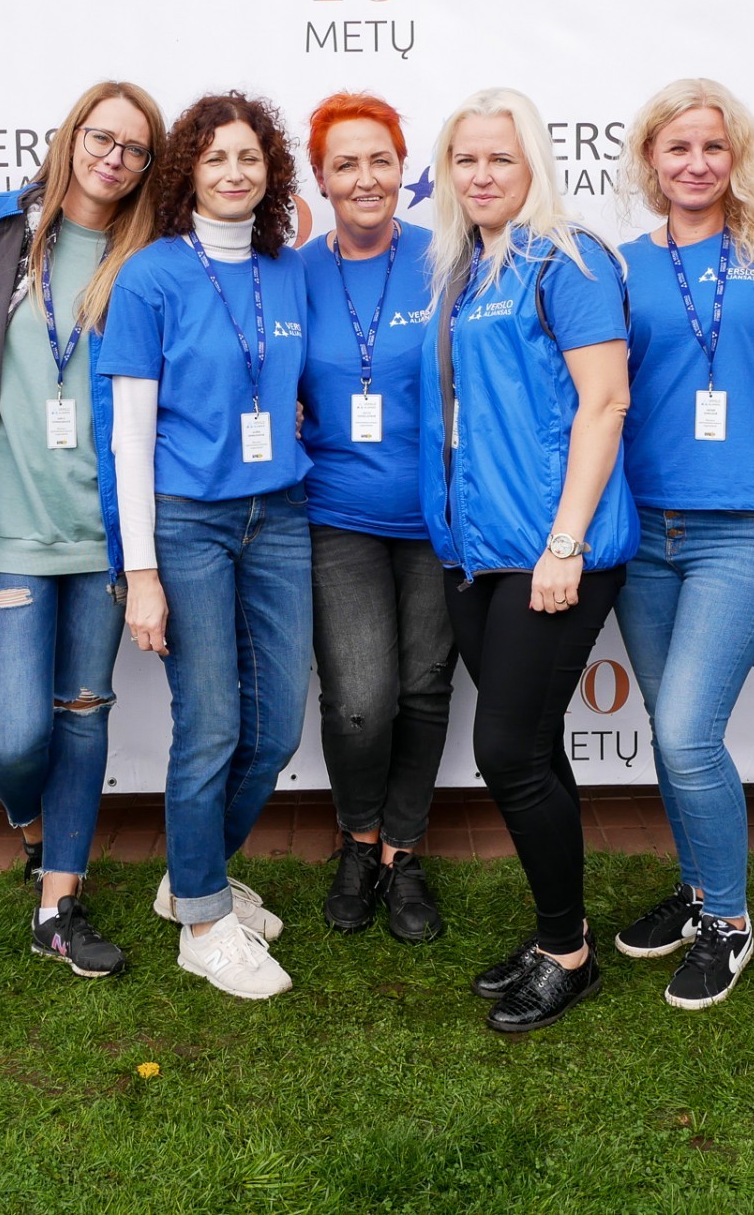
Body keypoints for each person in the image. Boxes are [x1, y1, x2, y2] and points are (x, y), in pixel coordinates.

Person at [418, 87, 637, 1034]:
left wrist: (565, 542)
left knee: (506, 751)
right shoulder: (465, 268)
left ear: (534, 163)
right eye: (465, 159)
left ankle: (568, 957)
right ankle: (562, 931)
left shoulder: (568, 259)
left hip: (551, 552)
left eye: (500, 157)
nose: (481, 174)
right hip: (479, 552)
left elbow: (605, 402)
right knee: (535, 748)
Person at [99, 90, 312, 1000]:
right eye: (216, 156)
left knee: (278, 725)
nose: (234, 172)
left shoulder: (286, 270)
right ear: (188, 171)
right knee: (212, 723)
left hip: (281, 513)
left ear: (270, 173)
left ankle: (194, 875)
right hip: (187, 520)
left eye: (250, 158)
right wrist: (141, 570)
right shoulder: (151, 277)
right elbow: (128, 437)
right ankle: (201, 921)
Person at [609, 78, 754, 1010]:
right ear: (651, 159)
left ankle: (729, 919)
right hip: (644, 527)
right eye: (678, 147)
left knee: (688, 731)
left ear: (737, 158)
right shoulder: (619, 267)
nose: (696, 164)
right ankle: (697, 893)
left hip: (743, 527)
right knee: (669, 725)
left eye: (714, 147)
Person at [0, 81, 166, 977]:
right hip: (5, 527)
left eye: (134, 148)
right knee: (16, 737)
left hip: (103, 530)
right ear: (71, 134)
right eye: (101, 137)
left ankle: (59, 904)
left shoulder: (148, 256)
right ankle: (32, 826)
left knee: (83, 713)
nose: (113, 158)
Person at [298, 93, 455, 942]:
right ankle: (358, 838)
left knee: (424, 686)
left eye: (381, 160)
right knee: (361, 699)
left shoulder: (450, 255)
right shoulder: (294, 272)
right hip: (337, 514)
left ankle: (402, 849)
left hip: (440, 514)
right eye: (345, 163)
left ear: (403, 167)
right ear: (321, 179)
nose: (366, 178)